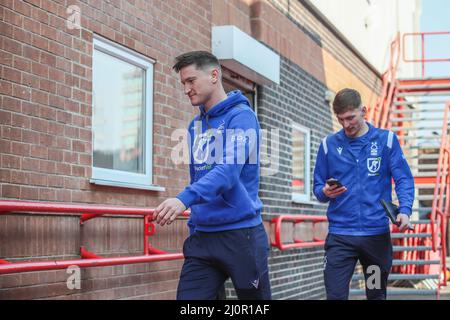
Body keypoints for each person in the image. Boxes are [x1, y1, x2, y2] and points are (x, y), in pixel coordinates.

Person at [153, 51, 271, 300]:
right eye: (183, 83)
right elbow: (198, 177)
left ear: (214, 75)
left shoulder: (242, 118)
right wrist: (194, 222)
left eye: (191, 81)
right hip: (203, 237)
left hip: (241, 235)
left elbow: (227, 172)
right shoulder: (195, 126)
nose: (186, 89)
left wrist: (183, 199)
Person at [313, 88, 415, 300]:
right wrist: (325, 192)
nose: (346, 124)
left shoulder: (386, 141)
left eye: (350, 117)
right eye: (340, 119)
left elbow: (403, 179)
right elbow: (318, 189)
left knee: (375, 295)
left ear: (364, 111)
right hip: (341, 239)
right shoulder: (328, 145)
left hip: (375, 240)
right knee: (335, 296)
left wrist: (404, 210)